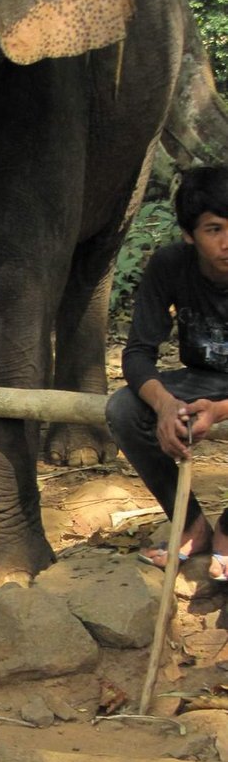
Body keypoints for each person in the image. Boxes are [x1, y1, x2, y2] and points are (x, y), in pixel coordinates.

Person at [106, 164, 228, 578]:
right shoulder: (171, 265)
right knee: (123, 409)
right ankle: (191, 524)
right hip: (203, 377)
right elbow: (138, 353)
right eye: (214, 229)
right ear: (190, 234)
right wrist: (164, 404)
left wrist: (220, 410)